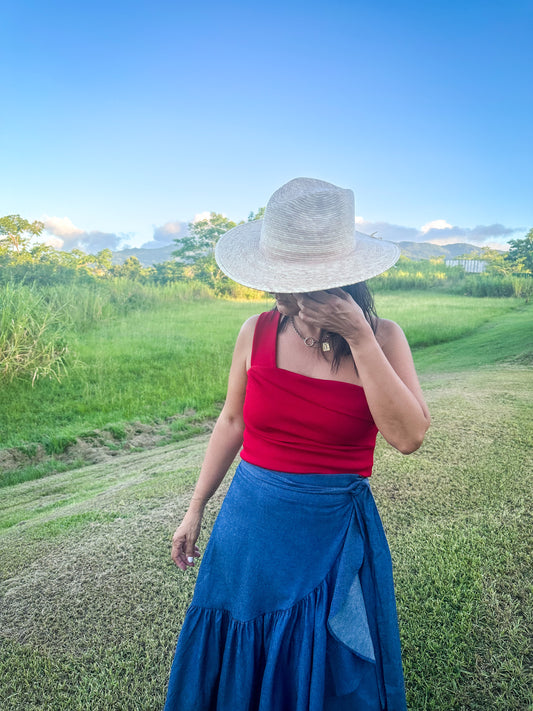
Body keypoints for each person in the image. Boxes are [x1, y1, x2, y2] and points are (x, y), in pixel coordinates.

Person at [163, 178, 430, 711]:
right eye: (277, 281)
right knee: (238, 641)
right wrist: (195, 509)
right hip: (248, 525)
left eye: (299, 284)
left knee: (322, 658)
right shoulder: (255, 331)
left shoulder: (385, 339)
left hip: (328, 532)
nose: (282, 297)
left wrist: (358, 337)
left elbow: (408, 437)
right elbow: (232, 421)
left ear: (343, 281)